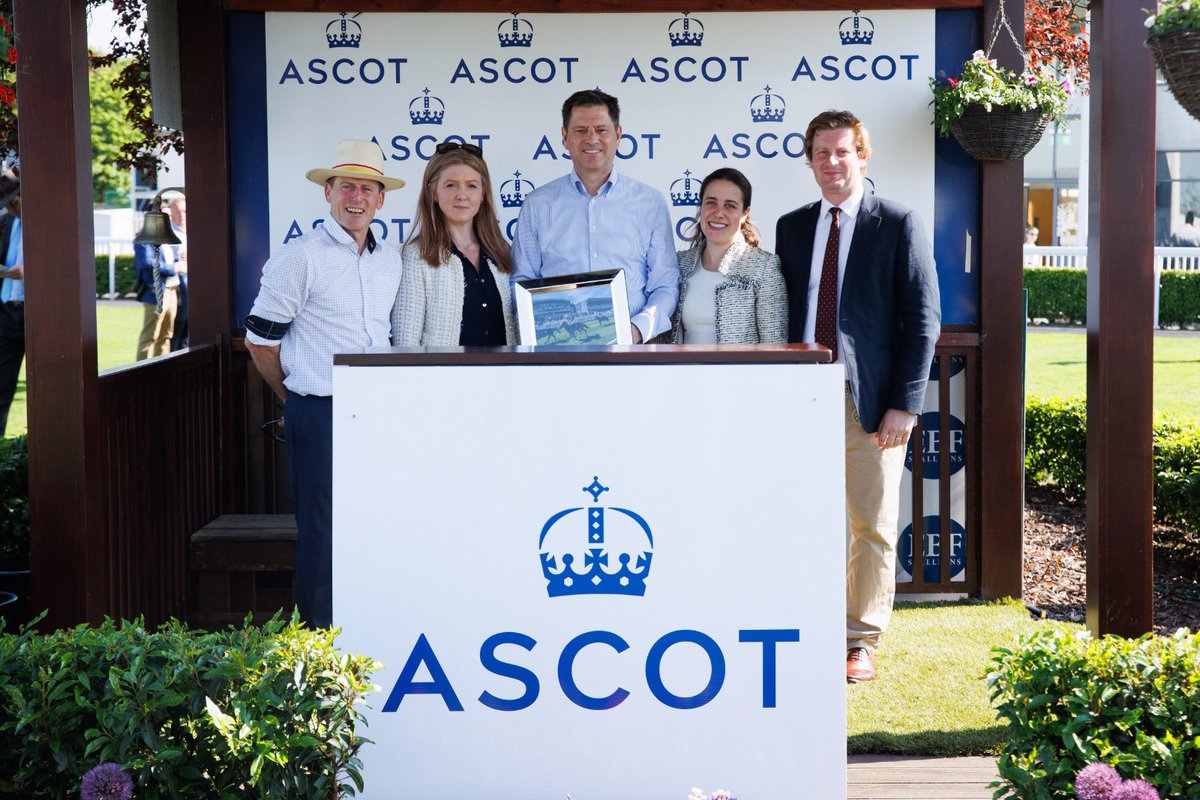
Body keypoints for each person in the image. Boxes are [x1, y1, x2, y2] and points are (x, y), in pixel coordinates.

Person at [776, 110, 940, 683]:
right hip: (800, 400)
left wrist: (907, 403)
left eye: (842, 152)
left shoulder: (898, 222)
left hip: (867, 403)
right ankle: (800, 624)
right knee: (795, 518)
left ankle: (860, 640)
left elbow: (924, 321)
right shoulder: (792, 226)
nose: (831, 162)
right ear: (810, 161)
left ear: (863, 156)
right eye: (821, 153)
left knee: (870, 525)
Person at [243, 139, 405, 627]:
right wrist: (293, 399)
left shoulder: (389, 258)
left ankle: (371, 628)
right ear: (328, 193)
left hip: (376, 412)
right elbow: (260, 341)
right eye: (347, 186)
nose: (356, 197)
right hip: (321, 411)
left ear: (381, 200)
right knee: (322, 530)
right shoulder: (300, 256)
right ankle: (318, 643)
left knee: (374, 523)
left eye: (367, 188)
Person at [512, 89, 678, 344]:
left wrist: (635, 331)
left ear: (618, 135)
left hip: (633, 354)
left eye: (601, 130)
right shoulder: (537, 205)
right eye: (580, 131)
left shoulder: (650, 203)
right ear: (565, 137)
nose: (592, 139)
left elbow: (665, 285)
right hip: (557, 354)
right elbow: (521, 281)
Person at [393, 142, 516, 346]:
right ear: (433, 192)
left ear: (483, 194)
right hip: (442, 377)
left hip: (504, 376)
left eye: (472, 185)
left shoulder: (502, 253)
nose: (462, 195)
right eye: (451, 185)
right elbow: (406, 342)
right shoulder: (418, 256)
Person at [671, 167, 787, 344]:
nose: (718, 213)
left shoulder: (764, 268)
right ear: (700, 206)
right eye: (711, 202)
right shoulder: (680, 263)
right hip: (680, 371)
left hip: (739, 372)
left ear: (744, 213)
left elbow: (775, 347)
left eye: (730, 205)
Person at [134, 194, 186, 360]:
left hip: (171, 291)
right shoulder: (143, 240)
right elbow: (147, 264)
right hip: (156, 293)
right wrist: (174, 268)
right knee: (150, 336)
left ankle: (160, 369)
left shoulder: (166, 240)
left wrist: (180, 260)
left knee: (166, 335)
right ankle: (140, 371)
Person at [0, 169, 23, 436]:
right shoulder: (6, 222)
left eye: (13, 202)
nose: (10, 208)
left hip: (37, 315)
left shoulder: (44, 225)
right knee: (2, 390)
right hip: (6, 313)